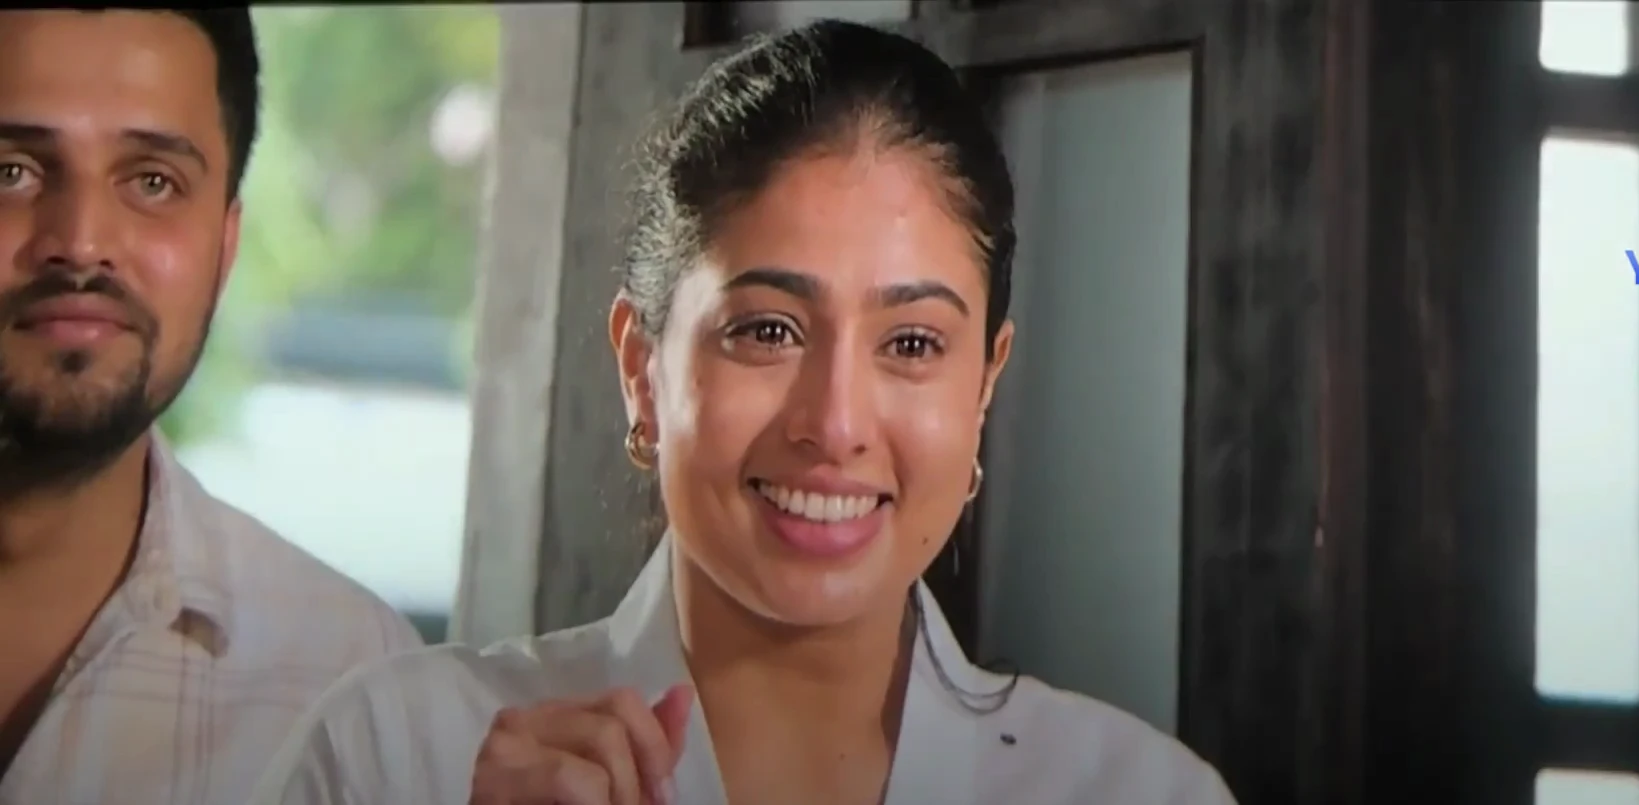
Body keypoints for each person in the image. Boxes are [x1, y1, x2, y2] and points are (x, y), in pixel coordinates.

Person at [250, 19, 1236, 805]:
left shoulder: (1139, 792)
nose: (835, 423)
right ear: (641, 367)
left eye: (911, 345)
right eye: (768, 330)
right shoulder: (395, 755)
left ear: (984, 384)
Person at [0, 8, 425, 803]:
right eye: (11, 171)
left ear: (224, 248)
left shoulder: (353, 685)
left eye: (152, 182)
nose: (82, 241)